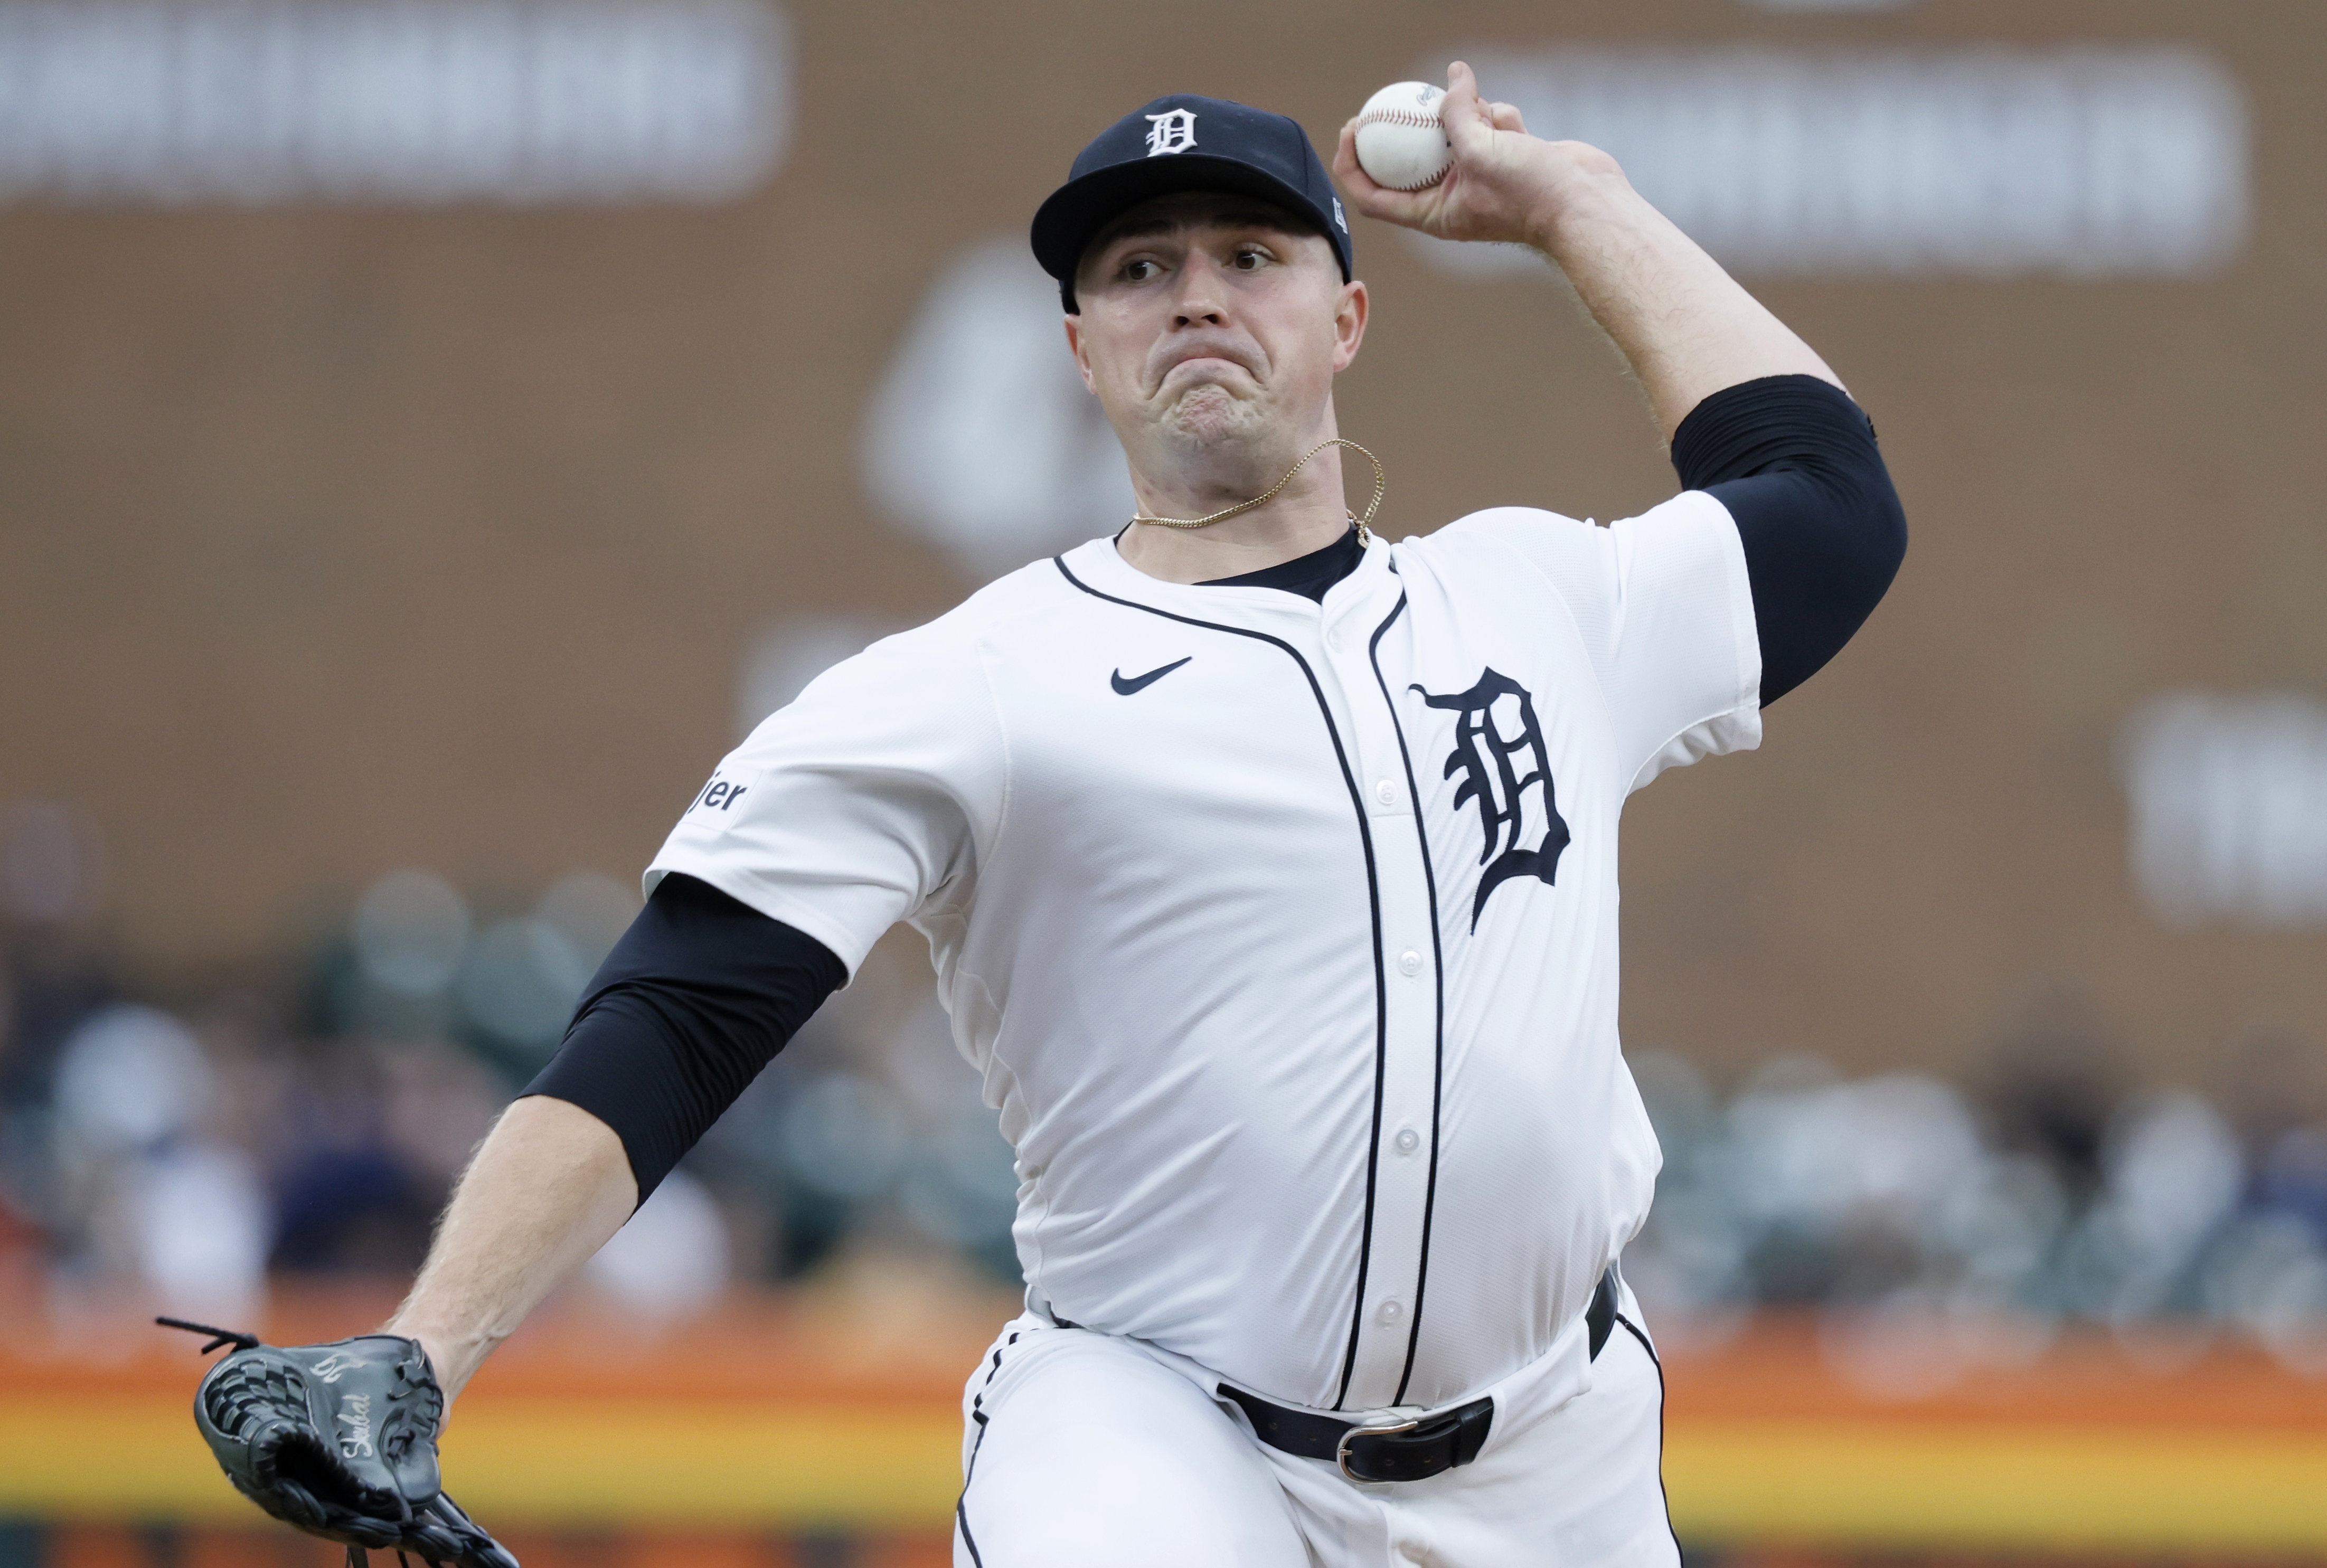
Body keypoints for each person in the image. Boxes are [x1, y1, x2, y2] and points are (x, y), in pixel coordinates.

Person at [380, 64, 1905, 1565]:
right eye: (1139, 269)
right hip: (1159, 1431)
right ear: (1083, 347)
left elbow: (1828, 495)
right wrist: (425, 1350)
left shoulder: (1539, 602)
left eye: (1251, 256)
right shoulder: (975, 680)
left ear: (1347, 318)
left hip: (1553, 1454)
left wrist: (1579, 203)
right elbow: (677, 1011)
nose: (1195, 296)